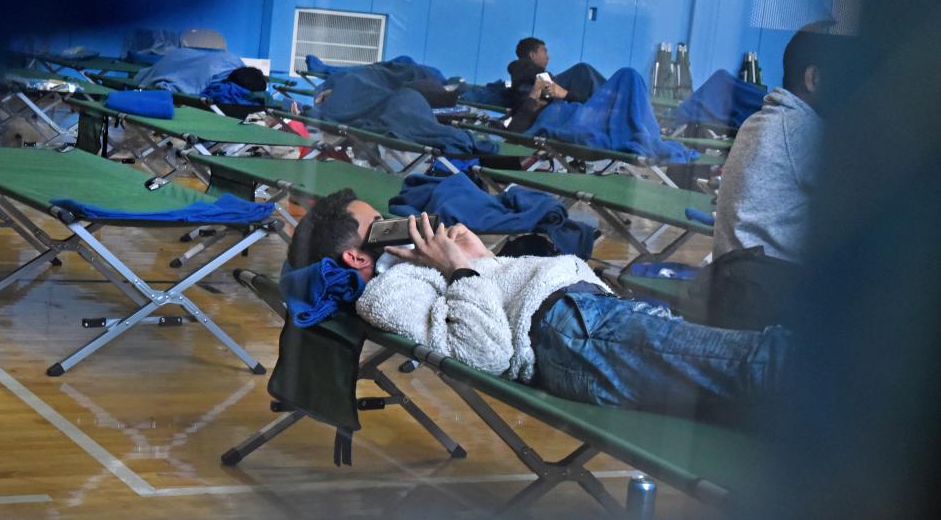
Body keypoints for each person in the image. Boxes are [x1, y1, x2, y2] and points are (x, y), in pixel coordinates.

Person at [286, 189, 789, 415]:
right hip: (573, 333)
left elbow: (487, 293)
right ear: (355, 257)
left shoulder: (414, 269)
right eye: (381, 225)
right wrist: (460, 267)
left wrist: (479, 257)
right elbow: (485, 352)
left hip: (585, 320)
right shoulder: (387, 293)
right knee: (762, 360)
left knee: (755, 359)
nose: (402, 223)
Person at [713, 24, 842, 263]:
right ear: (813, 79)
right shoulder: (804, 130)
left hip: (735, 283)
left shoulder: (762, 119)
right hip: (770, 288)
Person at [506, 37, 605, 132]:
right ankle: (608, 104)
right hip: (541, 112)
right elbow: (542, 82)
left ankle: (603, 106)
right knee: (582, 70)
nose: (548, 57)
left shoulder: (523, 72)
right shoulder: (523, 67)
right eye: (544, 51)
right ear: (532, 55)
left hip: (546, 107)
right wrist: (550, 83)